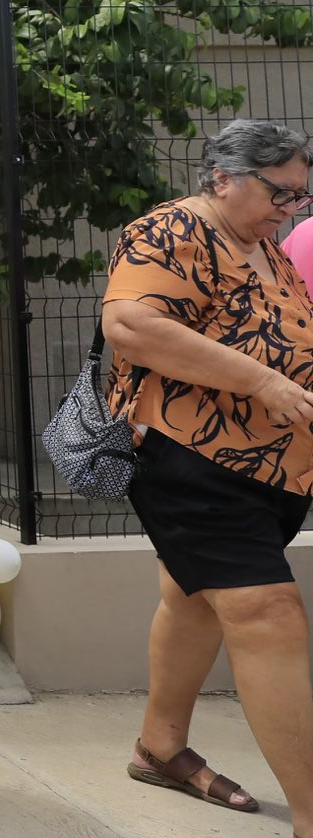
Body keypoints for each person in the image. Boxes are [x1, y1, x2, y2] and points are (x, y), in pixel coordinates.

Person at [103, 120, 313, 829]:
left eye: (300, 197)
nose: (291, 208)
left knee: (192, 598)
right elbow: (129, 325)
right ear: (223, 177)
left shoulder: (263, 248)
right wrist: (262, 381)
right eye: (278, 192)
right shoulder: (172, 231)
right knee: (268, 615)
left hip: (269, 469)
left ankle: (160, 748)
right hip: (191, 460)